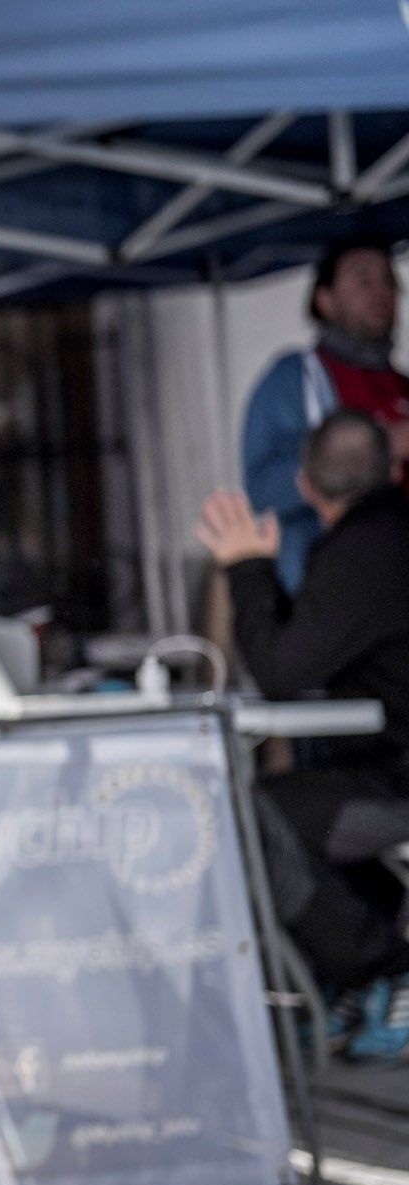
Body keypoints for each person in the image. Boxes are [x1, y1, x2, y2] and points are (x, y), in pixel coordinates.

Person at [198, 408, 409, 1061]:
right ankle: (364, 976)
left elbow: (282, 670)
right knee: (298, 811)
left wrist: (246, 569)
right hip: (383, 768)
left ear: (306, 485)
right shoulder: (381, 540)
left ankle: (383, 968)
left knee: (254, 821)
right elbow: (311, 650)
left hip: (395, 779)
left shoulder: (366, 550)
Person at [241, 234, 409, 590]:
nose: (381, 292)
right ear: (325, 300)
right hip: (330, 597)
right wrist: (373, 451)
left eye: (390, 281)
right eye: (363, 279)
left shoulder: (401, 385)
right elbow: (262, 490)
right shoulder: (295, 379)